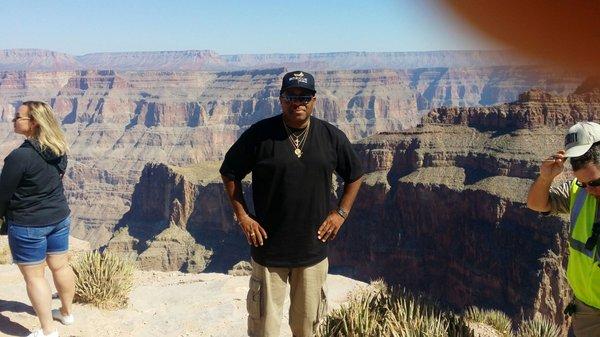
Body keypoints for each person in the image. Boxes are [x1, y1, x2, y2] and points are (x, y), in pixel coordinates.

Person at [220, 71, 364, 337]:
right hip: (268, 251)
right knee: (264, 329)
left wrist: (341, 213)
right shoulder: (259, 135)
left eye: (304, 97)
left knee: (307, 329)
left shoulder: (331, 137)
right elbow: (229, 172)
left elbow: (355, 175)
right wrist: (243, 215)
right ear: (280, 99)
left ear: (314, 100)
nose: (298, 102)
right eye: (291, 96)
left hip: (312, 253)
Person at [0, 101, 75, 337]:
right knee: (60, 266)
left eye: (18, 117)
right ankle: (66, 313)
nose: (13, 120)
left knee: (34, 276)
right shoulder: (58, 148)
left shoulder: (19, 157)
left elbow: (3, 194)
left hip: (28, 224)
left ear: (33, 123)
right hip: (59, 217)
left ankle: (47, 330)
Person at [527, 121, 600, 337]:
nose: (589, 191)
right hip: (586, 312)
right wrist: (545, 177)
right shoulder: (579, 192)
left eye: (595, 183)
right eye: (583, 184)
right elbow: (537, 204)